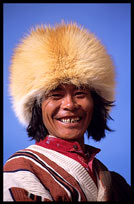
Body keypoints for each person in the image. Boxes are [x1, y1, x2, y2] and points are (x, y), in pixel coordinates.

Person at [3, 22, 131, 201]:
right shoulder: (22, 169)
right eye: (56, 95)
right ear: (37, 107)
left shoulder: (116, 184)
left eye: (80, 93)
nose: (69, 105)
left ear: (96, 102)